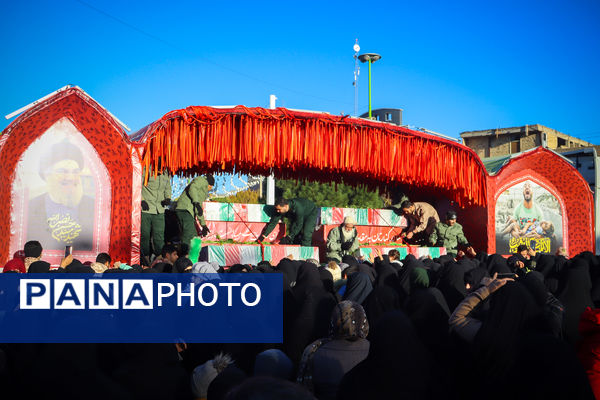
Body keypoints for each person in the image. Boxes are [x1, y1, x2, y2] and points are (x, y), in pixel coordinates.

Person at [27, 141, 95, 250]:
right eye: (62, 171)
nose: (70, 178)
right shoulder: (30, 208)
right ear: (47, 174)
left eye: (75, 172)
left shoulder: (93, 206)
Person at [141, 167, 172, 259]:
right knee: (145, 235)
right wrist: (142, 200)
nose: (160, 171)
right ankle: (144, 258)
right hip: (146, 208)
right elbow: (137, 185)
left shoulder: (166, 172)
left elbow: (167, 187)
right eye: (159, 169)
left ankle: (159, 258)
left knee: (159, 236)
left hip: (159, 209)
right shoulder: (145, 170)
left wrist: (168, 198)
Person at [175, 175, 214, 246]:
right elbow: (192, 188)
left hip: (185, 211)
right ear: (210, 186)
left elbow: (198, 209)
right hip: (185, 209)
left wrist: (203, 225)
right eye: (211, 188)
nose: (210, 190)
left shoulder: (202, 191)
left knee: (189, 236)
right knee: (191, 237)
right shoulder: (202, 181)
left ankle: (185, 254)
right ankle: (187, 255)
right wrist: (196, 202)